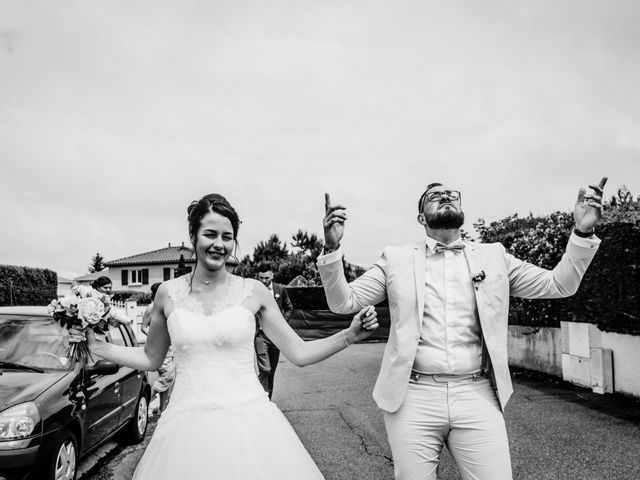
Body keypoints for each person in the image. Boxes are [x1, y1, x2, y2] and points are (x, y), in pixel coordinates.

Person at [70, 193, 379, 480]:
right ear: (193, 238)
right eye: (210, 234)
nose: (219, 244)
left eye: (227, 237)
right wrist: (98, 346)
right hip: (185, 431)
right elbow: (151, 359)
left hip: (251, 428)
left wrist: (349, 335)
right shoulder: (167, 293)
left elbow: (298, 352)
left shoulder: (253, 291)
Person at [317, 178, 607, 480]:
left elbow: (559, 284)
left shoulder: (494, 256)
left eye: (452, 194)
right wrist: (332, 248)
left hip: (478, 394)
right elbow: (344, 302)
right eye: (434, 196)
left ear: (461, 207)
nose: (445, 197)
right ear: (421, 217)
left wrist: (582, 232)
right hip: (412, 396)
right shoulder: (396, 259)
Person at [254, 262, 294, 399]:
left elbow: (289, 308)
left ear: (272, 274)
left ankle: (267, 401)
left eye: (266, 278)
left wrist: (281, 323)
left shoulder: (281, 289)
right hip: (260, 335)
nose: (264, 281)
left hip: (276, 337)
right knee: (265, 368)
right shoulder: (254, 291)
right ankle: (259, 398)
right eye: (261, 278)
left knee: (272, 372)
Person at [141, 282, 175, 413]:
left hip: (171, 347)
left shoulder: (168, 305)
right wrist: (157, 337)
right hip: (159, 346)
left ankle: (162, 409)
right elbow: (143, 327)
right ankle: (143, 403)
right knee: (167, 376)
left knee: (167, 378)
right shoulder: (151, 308)